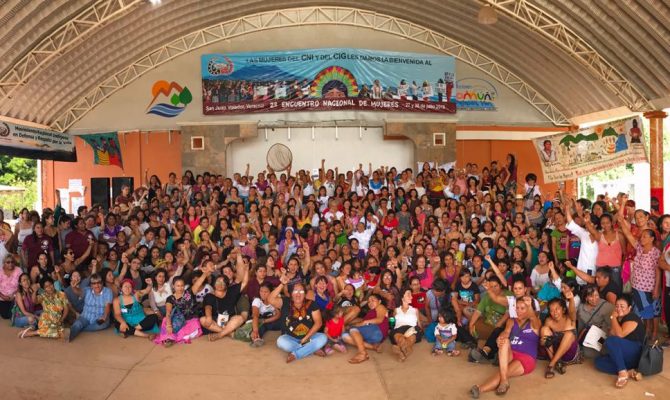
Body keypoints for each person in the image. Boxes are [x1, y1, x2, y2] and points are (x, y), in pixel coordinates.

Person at [469, 295, 541, 398]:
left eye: (522, 308)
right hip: (511, 354)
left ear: (529, 309)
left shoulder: (535, 323)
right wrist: (500, 337)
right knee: (504, 340)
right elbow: (506, 332)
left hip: (526, 358)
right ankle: (504, 381)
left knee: (504, 372)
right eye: (517, 308)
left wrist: (529, 306)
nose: (519, 311)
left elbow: (533, 316)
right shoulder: (511, 321)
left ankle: (480, 388)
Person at [267, 271, 327, 363]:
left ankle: (296, 354)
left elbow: (318, 323)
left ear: (305, 294)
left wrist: (306, 338)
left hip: (310, 336)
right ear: (291, 293)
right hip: (290, 337)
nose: (298, 294)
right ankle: (311, 349)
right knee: (280, 341)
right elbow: (270, 299)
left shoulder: (312, 304)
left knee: (323, 337)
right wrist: (282, 284)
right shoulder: (285, 302)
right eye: (295, 291)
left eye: (301, 291)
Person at [594, 294, 645, 388]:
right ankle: (628, 371)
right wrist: (615, 320)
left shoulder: (631, 317)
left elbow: (619, 335)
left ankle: (622, 372)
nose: (619, 308)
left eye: (622, 306)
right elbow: (612, 333)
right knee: (599, 362)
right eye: (617, 306)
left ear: (629, 308)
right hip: (627, 358)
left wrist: (613, 318)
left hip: (636, 352)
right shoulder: (620, 319)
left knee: (611, 341)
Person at [154, 264, 212, 346]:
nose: (180, 288)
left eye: (182, 286)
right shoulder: (170, 298)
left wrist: (205, 273)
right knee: (165, 320)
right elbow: (168, 312)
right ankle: (170, 337)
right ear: (173, 287)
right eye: (178, 286)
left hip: (190, 320)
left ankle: (172, 337)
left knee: (193, 327)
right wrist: (169, 325)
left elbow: (199, 282)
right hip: (177, 320)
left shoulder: (189, 292)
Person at [540, 290, 580, 378]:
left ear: (563, 309)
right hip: (553, 352)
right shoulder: (549, 321)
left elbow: (573, 312)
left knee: (569, 334)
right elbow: (544, 339)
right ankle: (556, 362)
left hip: (569, 355)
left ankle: (551, 365)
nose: (554, 312)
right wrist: (543, 341)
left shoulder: (570, 319)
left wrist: (571, 299)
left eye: (557, 309)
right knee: (544, 329)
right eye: (551, 310)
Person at [343, 292, 389, 364]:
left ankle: (362, 353)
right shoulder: (370, 313)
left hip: (378, 329)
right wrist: (350, 324)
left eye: (373, 300)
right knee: (345, 336)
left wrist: (363, 323)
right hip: (372, 335)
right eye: (369, 301)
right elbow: (360, 321)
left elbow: (379, 320)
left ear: (379, 301)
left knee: (353, 330)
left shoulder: (380, 307)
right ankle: (373, 347)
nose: (370, 302)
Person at [68, 273, 113, 341]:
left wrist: (104, 316)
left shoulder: (108, 291)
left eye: (99, 283)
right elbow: (79, 292)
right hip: (86, 316)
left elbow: (107, 306)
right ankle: (69, 337)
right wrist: (74, 287)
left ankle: (78, 328)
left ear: (102, 283)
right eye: (94, 283)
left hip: (100, 318)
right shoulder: (87, 290)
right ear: (91, 285)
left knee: (100, 325)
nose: (97, 285)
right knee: (78, 324)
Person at [577, 285, 614, 358]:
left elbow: (611, 327)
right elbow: (580, 327)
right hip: (589, 335)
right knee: (587, 353)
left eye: (596, 295)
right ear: (586, 298)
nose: (594, 298)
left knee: (601, 351)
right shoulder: (581, 308)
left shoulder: (607, 307)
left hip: (603, 334)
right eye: (591, 296)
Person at [390, 289, 421, 362]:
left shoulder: (415, 310)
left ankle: (399, 349)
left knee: (411, 338)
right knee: (400, 338)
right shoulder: (396, 310)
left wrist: (420, 329)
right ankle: (405, 351)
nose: (411, 297)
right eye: (408, 295)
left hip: (412, 329)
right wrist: (390, 322)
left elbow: (419, 323)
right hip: (398, 329)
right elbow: (392, 323)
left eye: (411, 295)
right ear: (402, 297)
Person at [250, 282, 281, 347]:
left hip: (273, 320)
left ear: (271, 292)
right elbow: (255, 315)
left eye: (266, 292)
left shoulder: (275, 299)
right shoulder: (257, 300)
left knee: (284, 321)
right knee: (258, 326)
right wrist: (255, 330)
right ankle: (256, 338)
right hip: (260, 320)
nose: (263, 294)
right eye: (261, 291)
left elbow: (278, 315)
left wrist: (265, 321)